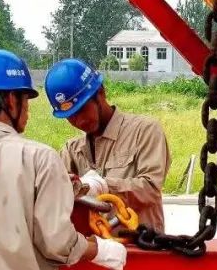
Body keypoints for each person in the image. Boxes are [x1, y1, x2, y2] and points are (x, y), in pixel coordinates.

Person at [0, 49, 126, 270]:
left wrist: (71, 186)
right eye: (26, 101)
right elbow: (58, 243)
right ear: (11, 100)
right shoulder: (39, 157)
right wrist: (102, 251)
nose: (27, 111)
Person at [47, 58, 171, 232]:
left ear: (101, 93)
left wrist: (102, 187)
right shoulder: (72, 150)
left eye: (82, 110)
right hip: (94, 247)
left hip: (139, 245)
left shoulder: (144, 131)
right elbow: (57, 199)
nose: (79, 121)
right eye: (70, 116)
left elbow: (151, 189)